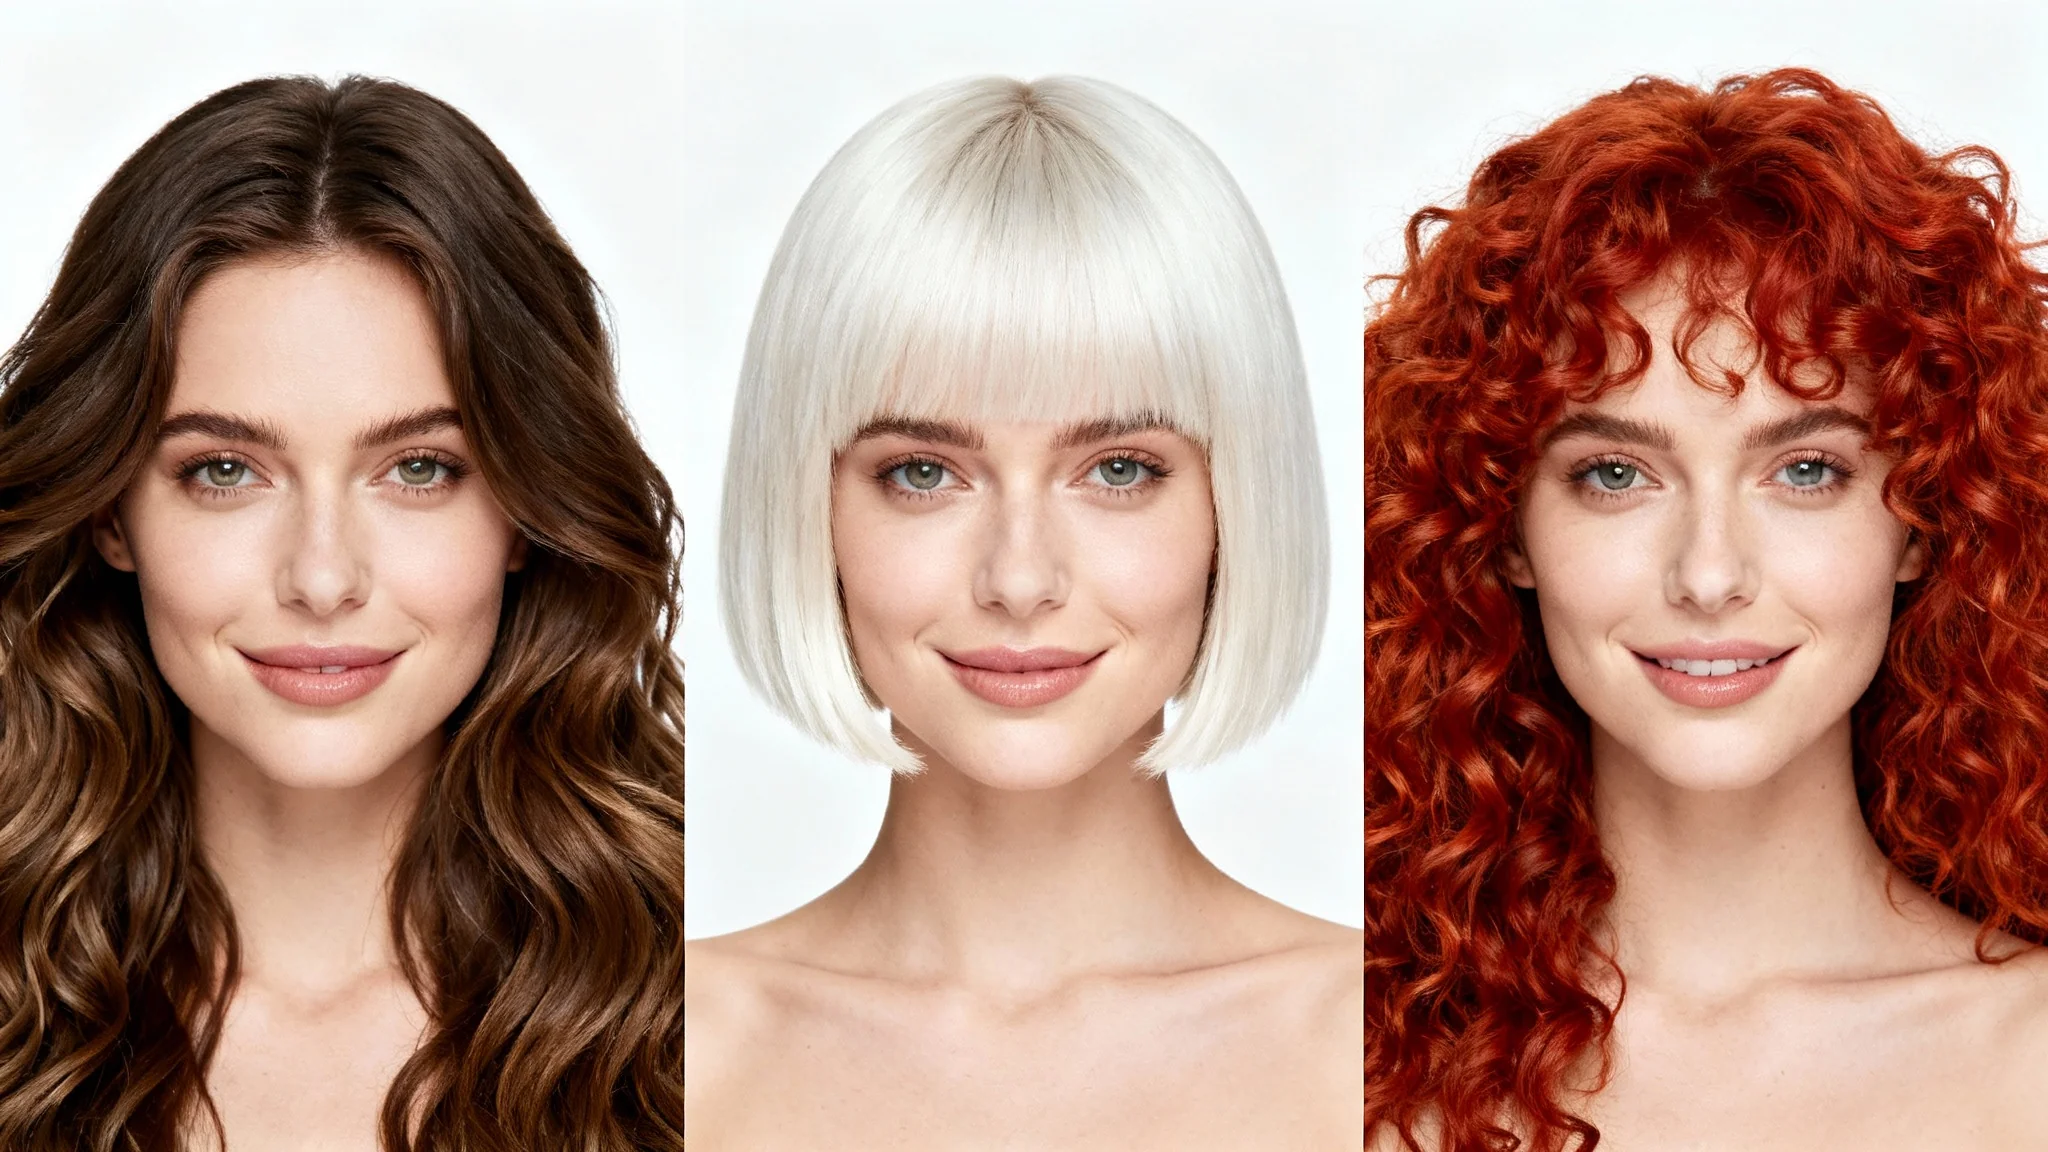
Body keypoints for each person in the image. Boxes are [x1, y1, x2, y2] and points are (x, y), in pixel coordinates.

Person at [1366, 68, 2048, 1150]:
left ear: (1921, 515)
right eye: (1613, 476)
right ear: (1499, 527)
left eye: (1806, 471)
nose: (1708, 574)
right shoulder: (1350, 1071)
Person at [0, 76, 686, 1151]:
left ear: (524, 510)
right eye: (225, 470)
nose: (322, 580)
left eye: (419, 468)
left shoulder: (711, 1020)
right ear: (110, 513)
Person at [685, 76, 1360, 1149]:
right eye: (920, 473)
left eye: (1120, 469)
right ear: (804, 507)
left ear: (1237, 505)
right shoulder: (659, 1049)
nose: (1017, 577)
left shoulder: (1404, 1044)